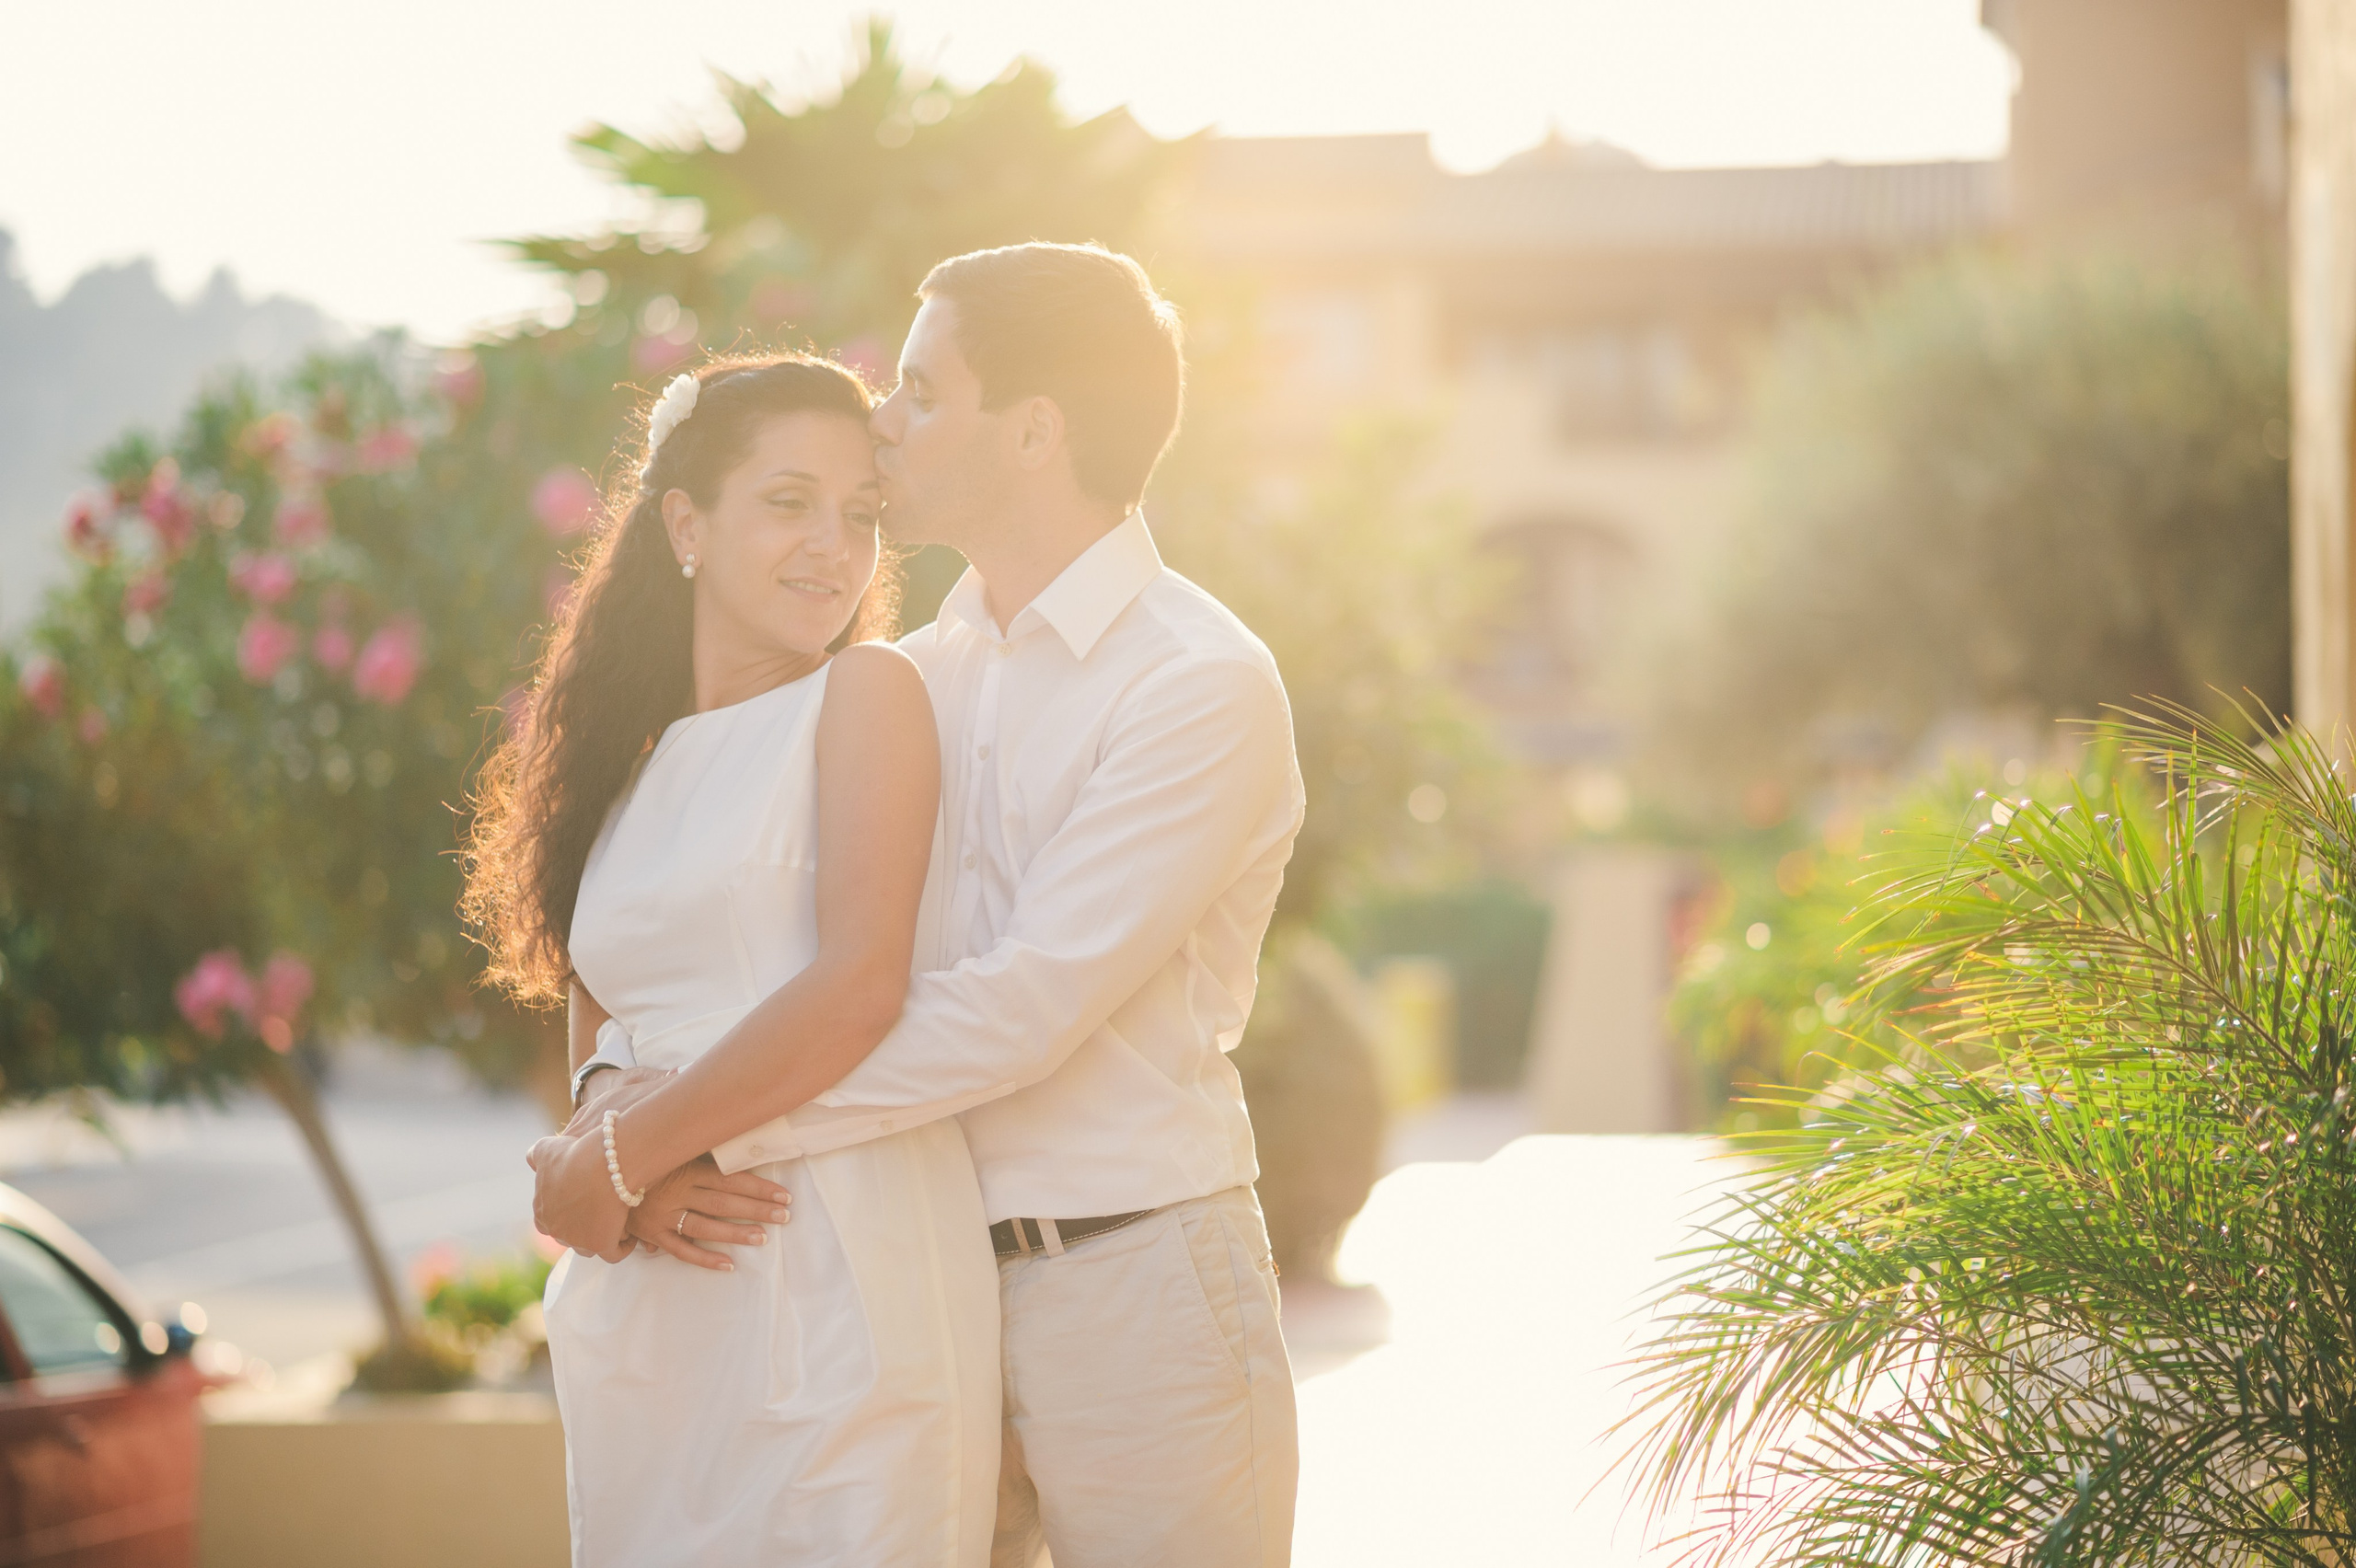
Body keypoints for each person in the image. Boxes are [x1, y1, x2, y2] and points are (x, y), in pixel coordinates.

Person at [541, 242, 1307, 1567]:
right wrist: (637, 1128)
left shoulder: (1196, 683)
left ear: (1033, 430)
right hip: (913, 1273)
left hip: (1128, 1279)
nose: (884, 420)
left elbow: (1019, 1008)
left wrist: (677, 1142)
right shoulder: (909, 674)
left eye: (922, 390)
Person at [467, 353, 1000, 1567]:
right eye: (789, 501)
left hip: (834, 1286)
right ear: (686, 525)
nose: (832, 545)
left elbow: (858, 986)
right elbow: (604, 1036)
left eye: (860, 512)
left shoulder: (867, 693)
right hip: (654, 1304)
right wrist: (624, 1171)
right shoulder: (626, 763)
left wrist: (617, 1159)